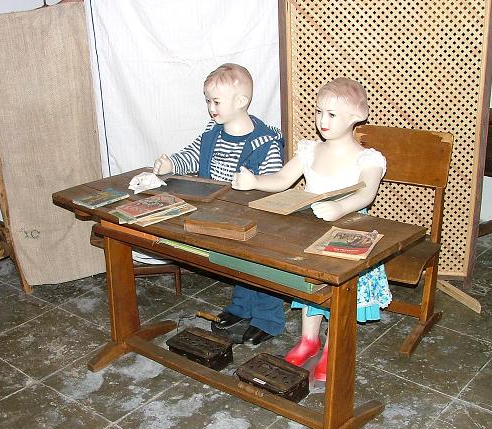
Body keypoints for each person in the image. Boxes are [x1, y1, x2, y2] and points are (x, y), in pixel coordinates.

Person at [232, 77, 390, 380]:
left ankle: (332, 347)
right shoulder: (311, 150)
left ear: (357, 116)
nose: (323, 121)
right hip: (311, 231)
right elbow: (282, 179)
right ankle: (308, 340)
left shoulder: (367, 159)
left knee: (338, 291)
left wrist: (340, 207)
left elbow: (366, 193)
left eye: (332, 114)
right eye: (319, 112)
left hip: (348, 235)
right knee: (310, 286)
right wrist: (255, 181)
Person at [153, 63, 285, 346]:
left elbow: (276, 181)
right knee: (235, 263)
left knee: (260, 267)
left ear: (241, 101)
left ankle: (268, 318)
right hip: (218, 213)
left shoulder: (265, 142)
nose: (210, 108)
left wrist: (256, 182)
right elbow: (193, 154)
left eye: (216, 101)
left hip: (254, 218)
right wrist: (172, 163)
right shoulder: (213, 132)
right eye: (207, 101)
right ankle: (241, 307)